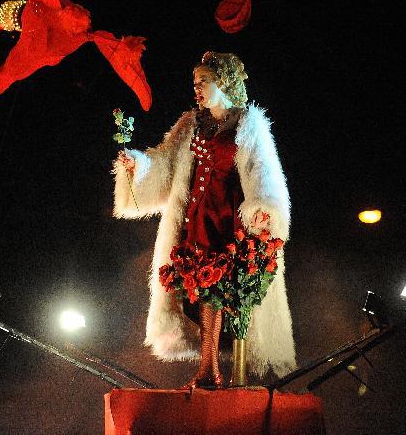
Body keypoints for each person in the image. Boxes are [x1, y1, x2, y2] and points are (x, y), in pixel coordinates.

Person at [113, 52, 295, 387]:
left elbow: (265, 173)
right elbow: (166, 163)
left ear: (223, 82)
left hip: (229, 222)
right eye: (194, 83)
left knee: (224, 296)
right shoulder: (190, 124)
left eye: (203, 82)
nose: (196, 89)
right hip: (196, 221)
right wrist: (138, 164)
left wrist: (263, 210)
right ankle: (208, 369)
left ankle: (213, 370)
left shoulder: (248, 124)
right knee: (200, 294)